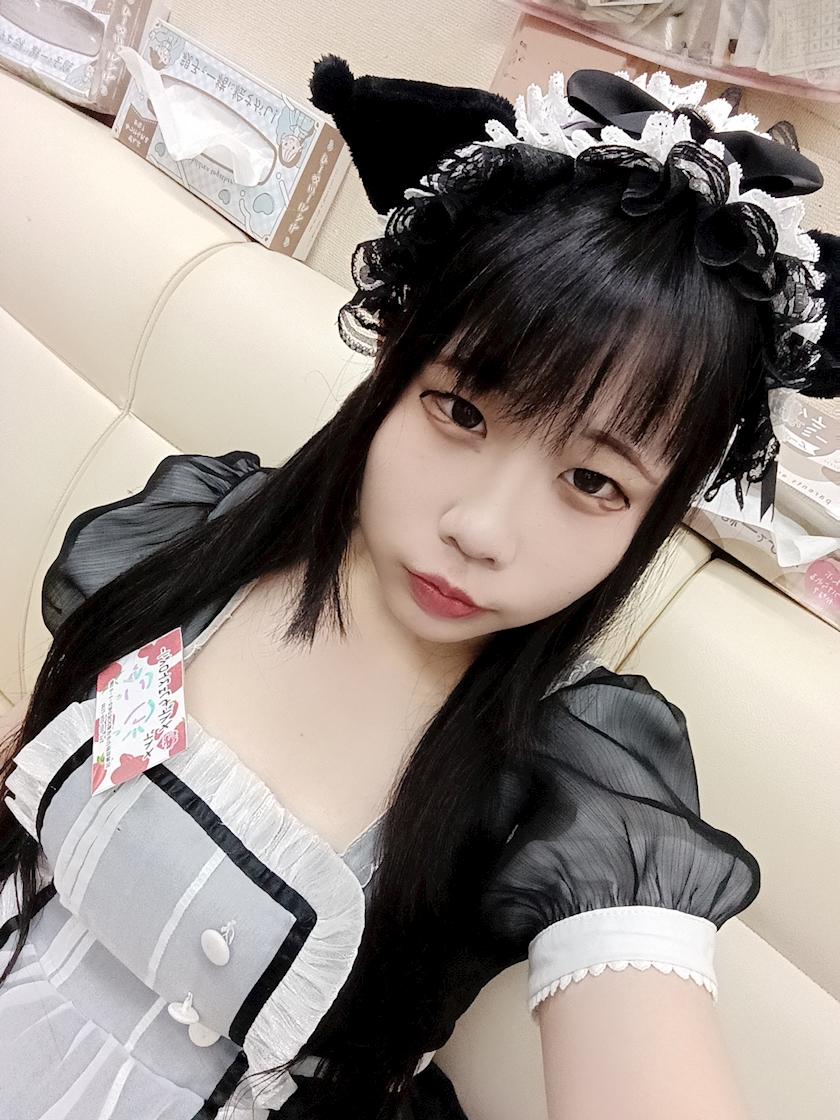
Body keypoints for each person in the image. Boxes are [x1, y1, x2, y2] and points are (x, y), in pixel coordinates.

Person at [0, 56, 837, 1120]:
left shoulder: (576, 774)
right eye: (462, 412)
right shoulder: (204, 532)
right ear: (393, 357)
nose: (481, 530)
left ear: (658, 512)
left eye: (594, 481)